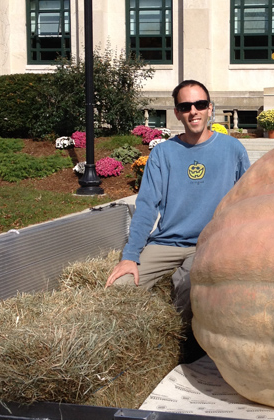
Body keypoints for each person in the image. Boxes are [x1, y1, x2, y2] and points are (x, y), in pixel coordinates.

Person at [105, 80, 250, 330]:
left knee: (188, 288)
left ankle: (183, 345)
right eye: (185, 106)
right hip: (166, 242)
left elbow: (246, 201)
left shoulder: (232, 149)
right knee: (120, 289)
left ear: (209, 108)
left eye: (200, 104)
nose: (193, 111)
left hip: (208, 243)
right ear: (177, 113)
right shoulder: (163, 153)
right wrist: (130, 257)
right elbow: (147, 207)